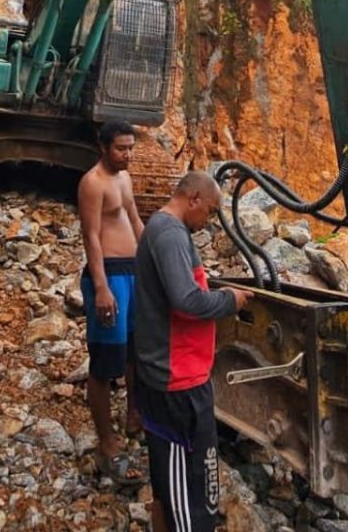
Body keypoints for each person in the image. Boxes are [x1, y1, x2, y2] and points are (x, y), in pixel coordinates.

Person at [131, 171, 253, 532]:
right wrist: (228, 300)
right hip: (176, 381)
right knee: (189, 490)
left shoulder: (164, 228)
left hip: (180, 375)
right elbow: (185, 301)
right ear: (194, 198)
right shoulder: (169, 234)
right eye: (211, 212)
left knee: (186, 478)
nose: (210, 221)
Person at [78, 119, 146, 484]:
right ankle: (106, 441)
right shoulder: (92, 183)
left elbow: (134, 219)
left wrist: (154, 259)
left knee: (136, 352)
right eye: (121, 148)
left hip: (134, 272)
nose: (128, 155)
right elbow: (90, 235)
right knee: (106, 360)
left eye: (131, 148)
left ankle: (135, 415)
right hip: (111, 277)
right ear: (103, 146)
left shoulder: (124, 178)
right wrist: (102, 287)